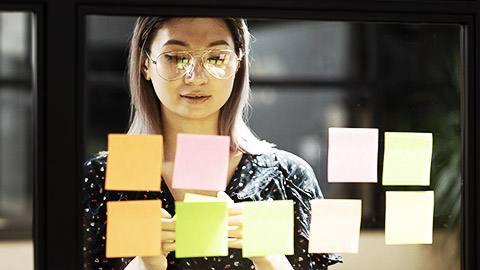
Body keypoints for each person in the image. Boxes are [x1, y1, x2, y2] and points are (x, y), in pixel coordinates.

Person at [83, 16, 342, 270]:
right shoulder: (100, 178)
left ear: (238, 64)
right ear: (145, 64)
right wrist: (144, 265)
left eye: (216, 58)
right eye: (176, 57)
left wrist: (269, 257)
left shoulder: (288, 177)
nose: (196, 77)